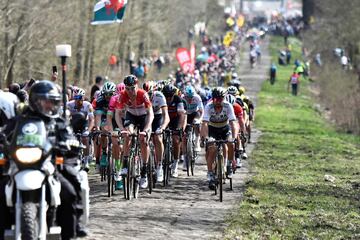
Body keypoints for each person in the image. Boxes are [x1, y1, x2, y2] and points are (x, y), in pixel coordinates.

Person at [0, 81, 87, 240]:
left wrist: (70, 142)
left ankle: (71, 233)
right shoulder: (20, 119)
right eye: (45, 100)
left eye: (52, 101)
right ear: (35, 101)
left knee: (69, 191)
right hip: (19, 165)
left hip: (48, 165)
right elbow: (6, 131)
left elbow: (69, 135)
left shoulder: (58, 121)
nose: (49, 105)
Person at [115, 75, 154, 189]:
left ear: (137, 86)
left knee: (143, 140)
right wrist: (122, 129)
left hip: (144, 117)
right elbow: (117, 114)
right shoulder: (122, 95)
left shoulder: (143, 94)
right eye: (128, 88)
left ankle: (144, 171)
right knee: (128, 134)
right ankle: (126, 164)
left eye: (133, 88)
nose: (131, 91)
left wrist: (146, 130)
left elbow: (150, 114)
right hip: (131, 116)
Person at [201, 87, 238, 190]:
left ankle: (229, 164)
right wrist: (207, 137)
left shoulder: (228, 106)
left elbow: (233, 123)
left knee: (231, 144)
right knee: (212, 148)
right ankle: (210, 173)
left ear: (224, 98)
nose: (218, 101)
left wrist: (234, 137)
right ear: (213, 99)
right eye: (216, 99)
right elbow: (204, 124)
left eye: (220, 99)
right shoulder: (208, 106)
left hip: (224, 128)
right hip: (212, 128)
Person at [143, 81, 170, 182]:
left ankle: (159, 165)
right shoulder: (141, 95)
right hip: (146, 116)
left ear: (154, 91)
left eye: (149, 94)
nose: (148, 96)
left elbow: (166, 115)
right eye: (146, 94)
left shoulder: (159, 96)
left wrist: (162, 128)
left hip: (158, 117)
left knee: (158, 137)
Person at [67, 88, 95, 171]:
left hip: (84, 123)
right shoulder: (69, 105)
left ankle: (86, 161)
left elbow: (91, 120)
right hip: (73, 123)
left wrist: (88, 131)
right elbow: (65, 118)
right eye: (76, 98)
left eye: (80, 98)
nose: (78, 100)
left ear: (83, 98)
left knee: (85, 138)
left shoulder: (88, 105)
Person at [162, 84, 186, 177]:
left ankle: (175, 164)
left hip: (175, 120)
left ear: (173, 95)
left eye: (170, 96)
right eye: (166, 96)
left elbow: (181, 115)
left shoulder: (178, 100)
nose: (168, 98)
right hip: (164, 120)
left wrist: (179, 128)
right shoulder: (162, 99)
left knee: (176, 141)